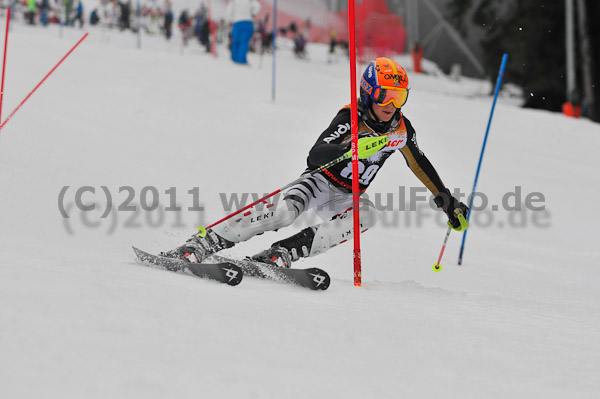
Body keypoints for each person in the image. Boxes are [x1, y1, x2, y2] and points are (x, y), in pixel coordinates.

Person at [162, 58, 469, 267]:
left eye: (399, 97)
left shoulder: (401, 129)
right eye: (385, 95)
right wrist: (351, 148)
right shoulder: (351, 117)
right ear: (369, 92)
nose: (391, 105)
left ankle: (284, 251)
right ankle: (206, 242)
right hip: (319, 181)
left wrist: (446, 201)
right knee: (284, 213)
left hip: (348, 196)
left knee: (368, 215)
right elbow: (316, 154)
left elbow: (419, 164)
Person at [226, 0, 261, 64]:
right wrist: (253, 13)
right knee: (244, 42)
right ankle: (241, 60)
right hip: (247, 21)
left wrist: (233, 18)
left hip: (237, 22)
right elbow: (258, 6)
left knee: (236, 41)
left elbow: (228, 11)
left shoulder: (234, 1)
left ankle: (235, 59)